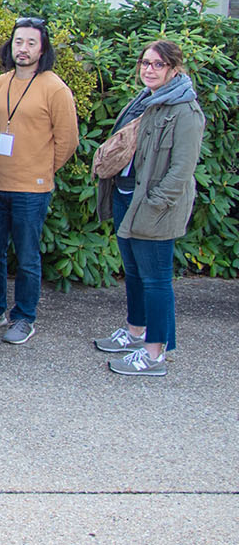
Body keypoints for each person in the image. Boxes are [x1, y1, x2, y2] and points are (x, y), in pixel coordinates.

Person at [92, 40, 203, 377]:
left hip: (155, 208)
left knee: (156, 280)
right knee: (135, 272)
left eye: (157, 64)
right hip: (127, 197)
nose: (149, 70)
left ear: (174, 68)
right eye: (145, 63)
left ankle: (154, 354)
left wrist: (154, 206)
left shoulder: (185, 111)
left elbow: (180, 172)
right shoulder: (146, 101)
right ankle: (135, 331)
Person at [0, 18, 79, 345]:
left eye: (31, 43)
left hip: (32, 188)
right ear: (11, 45)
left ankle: (24, 317)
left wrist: (42, 168)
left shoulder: (55, 87)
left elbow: (68, 140)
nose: (24, 49)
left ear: (42, 48)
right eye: (19, 42)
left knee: (28, 256)